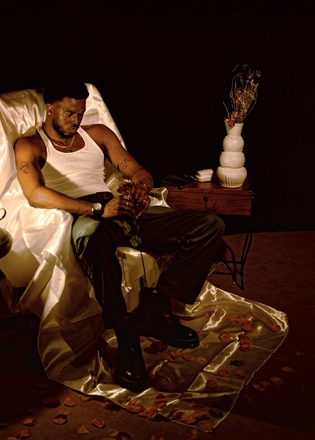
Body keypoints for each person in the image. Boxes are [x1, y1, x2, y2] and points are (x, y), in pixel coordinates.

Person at [14, 78, 225, 393]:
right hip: (82, 214)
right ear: (50, 108)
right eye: (69, 113)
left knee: (208, 225)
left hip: (117, 207)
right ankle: (126, 335)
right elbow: (35, 194)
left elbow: (138, 170)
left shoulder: (97, 134)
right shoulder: (30, 144)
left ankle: (157, 307)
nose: (76, 120)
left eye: (80, 113)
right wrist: (97, 209)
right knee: (94, 239)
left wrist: (140, 187)